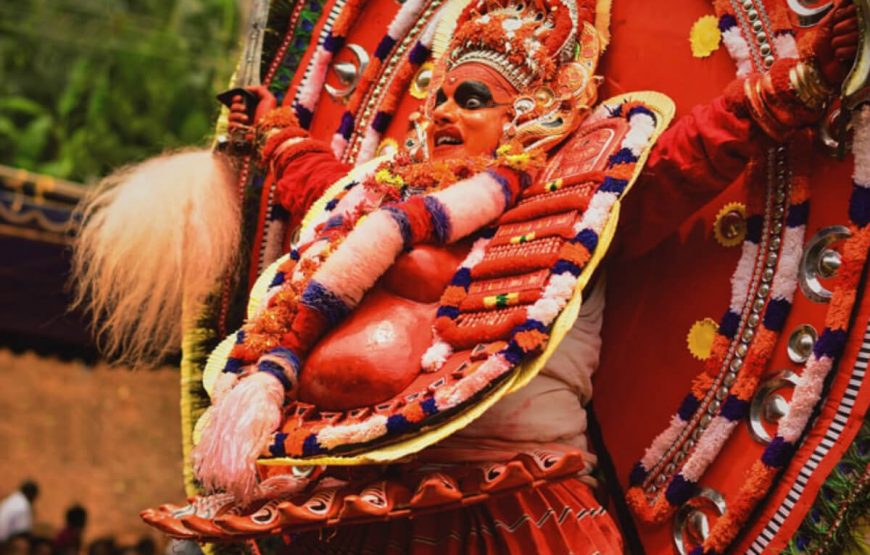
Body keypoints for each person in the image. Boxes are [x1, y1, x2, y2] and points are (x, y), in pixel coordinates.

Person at [73, 0, 859, 551]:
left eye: (471, 98)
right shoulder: (374, 207)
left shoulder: (578, 205)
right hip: (356, 511)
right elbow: (319, 187)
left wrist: (793, 87)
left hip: (521, 512)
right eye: (439, 96)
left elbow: (689, 159)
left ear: (525, 117)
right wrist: (275, 132)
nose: (443, 111)